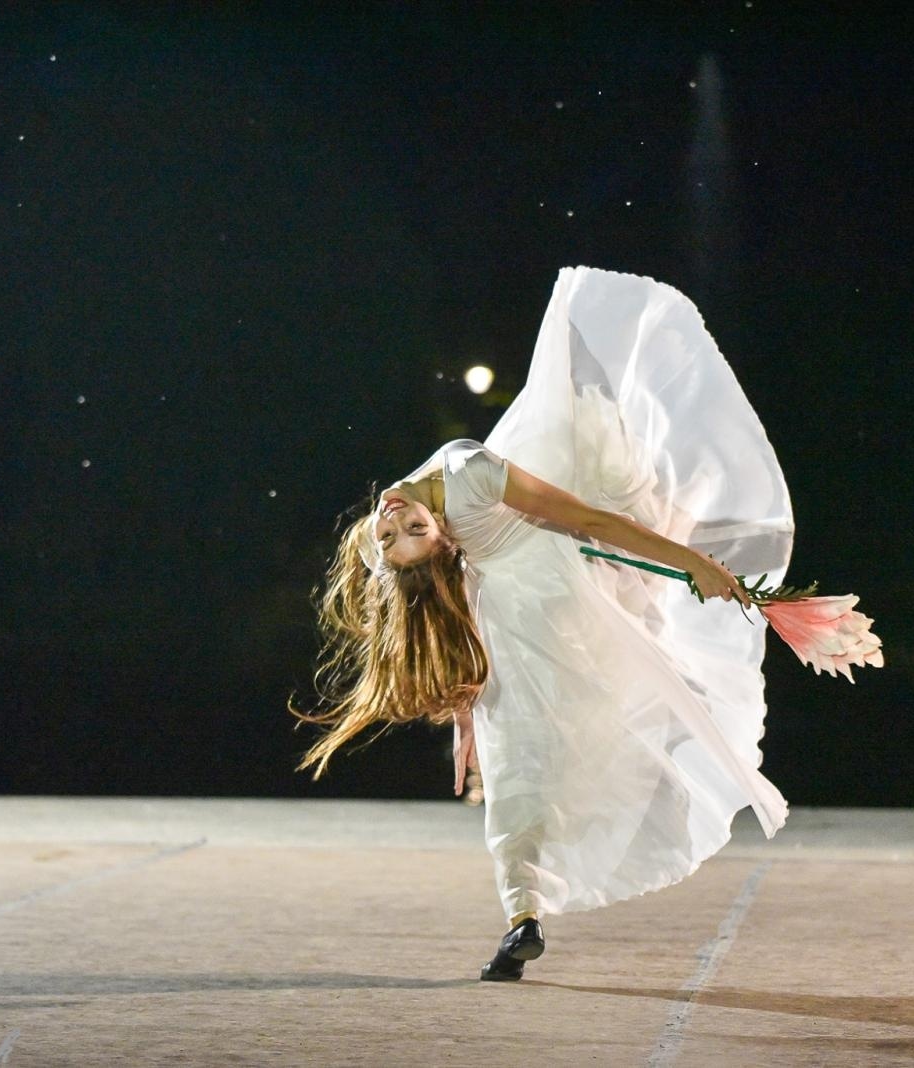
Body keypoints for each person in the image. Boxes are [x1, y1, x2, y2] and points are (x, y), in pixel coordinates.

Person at [290, 265, 795, 982]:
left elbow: (584, 523)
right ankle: (522, 916)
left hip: (540, 604)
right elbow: (589, 520)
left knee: (531, 756)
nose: (395, 521)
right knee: (522, 761)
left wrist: (691, 566)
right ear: (443, 547)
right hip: (543, 600)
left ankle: (522, 904)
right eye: (405, 538)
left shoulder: (449, 504)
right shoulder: (467, 474)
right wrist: (690, 563)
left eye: (390, 529)